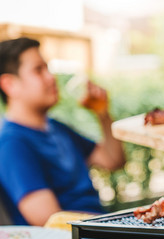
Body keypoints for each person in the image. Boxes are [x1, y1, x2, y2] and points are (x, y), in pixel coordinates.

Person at [0, 37, 126, 225]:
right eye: (38, 70)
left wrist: (103, 113)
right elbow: (51, 222)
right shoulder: (13, 144)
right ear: (10, 84)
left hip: (97, 232)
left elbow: (113, 161)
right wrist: (118, 225)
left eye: (48, 68)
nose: (51, 77)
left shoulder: (57, 128)